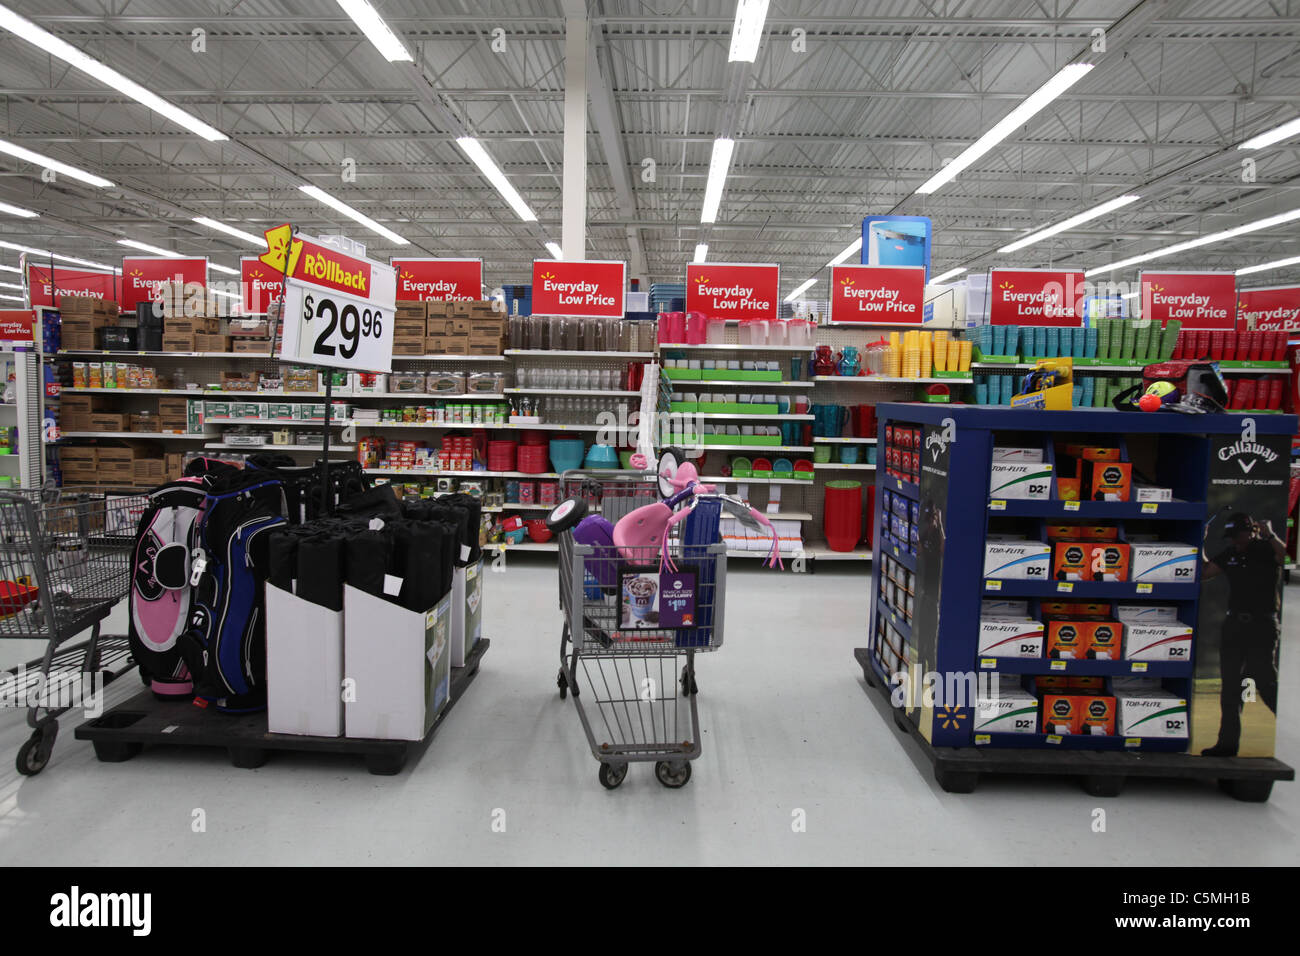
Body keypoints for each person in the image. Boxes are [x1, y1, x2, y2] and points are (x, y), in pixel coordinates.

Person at [1200, 512, 1284, 757]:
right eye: (1232, 537)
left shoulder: (1266, 548)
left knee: (1263, 679)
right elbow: (1206, 572)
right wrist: (1200, 540)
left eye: (1239, 535)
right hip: (1235, 624)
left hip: (1262, 625)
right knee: (1230, 688)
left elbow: (1285, 557)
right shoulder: (1232, 553)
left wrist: (1270, 535)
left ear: (1252, 530)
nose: (1236, 541)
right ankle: (1227, 745)